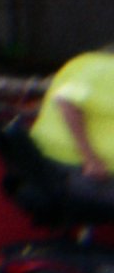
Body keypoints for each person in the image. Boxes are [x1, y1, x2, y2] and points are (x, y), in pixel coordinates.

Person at [28, 42, 114, 206]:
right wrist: (90, 159)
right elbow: (66, 101)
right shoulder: (107, 71)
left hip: (46, 165)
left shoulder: (83, 62)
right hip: (75, 169)